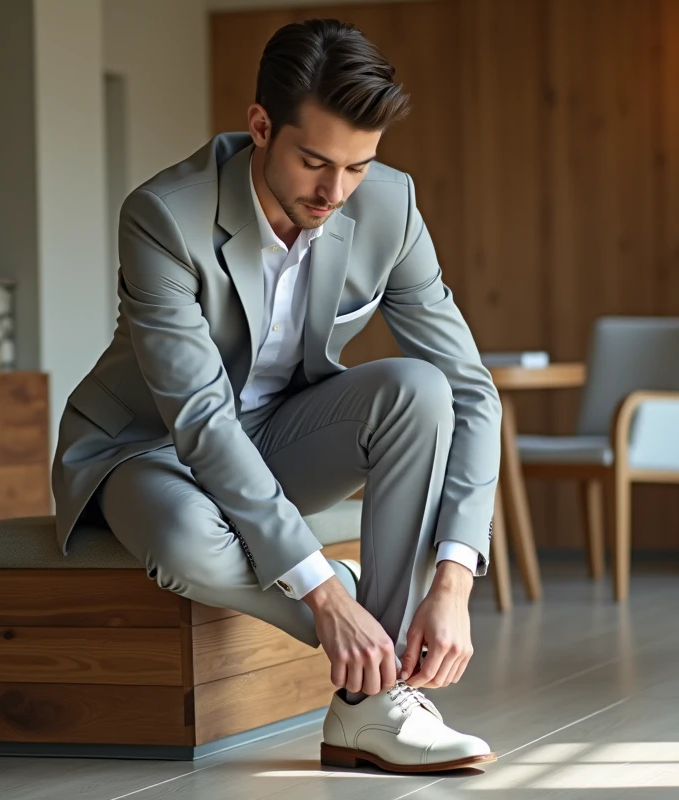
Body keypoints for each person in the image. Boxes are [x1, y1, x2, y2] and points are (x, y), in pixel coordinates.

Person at [50, 18, 501, 774]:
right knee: (188, 543)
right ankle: (382, 679)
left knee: (419, 389)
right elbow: (198, 418)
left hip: (281, 433)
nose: (334, 192)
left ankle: (367, 709)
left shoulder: (388, 205)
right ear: (260, 126)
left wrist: (453, 581)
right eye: (315, 162)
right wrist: (324, 592)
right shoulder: (164, 217)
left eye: (357, 167)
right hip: (148, 446)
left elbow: (471, 391)